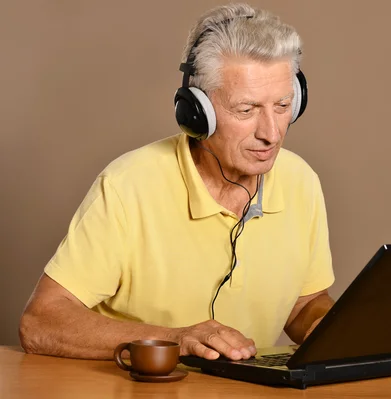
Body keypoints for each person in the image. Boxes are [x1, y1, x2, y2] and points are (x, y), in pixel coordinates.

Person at [18, 3, 335, 361]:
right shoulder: (128, 185)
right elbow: (40, 322)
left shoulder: (301, 181)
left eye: (282, 106)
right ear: (198, 112)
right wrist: (176, 339)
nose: (272, 133)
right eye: (246, 110)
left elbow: (304, 303)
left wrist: (328, 326)